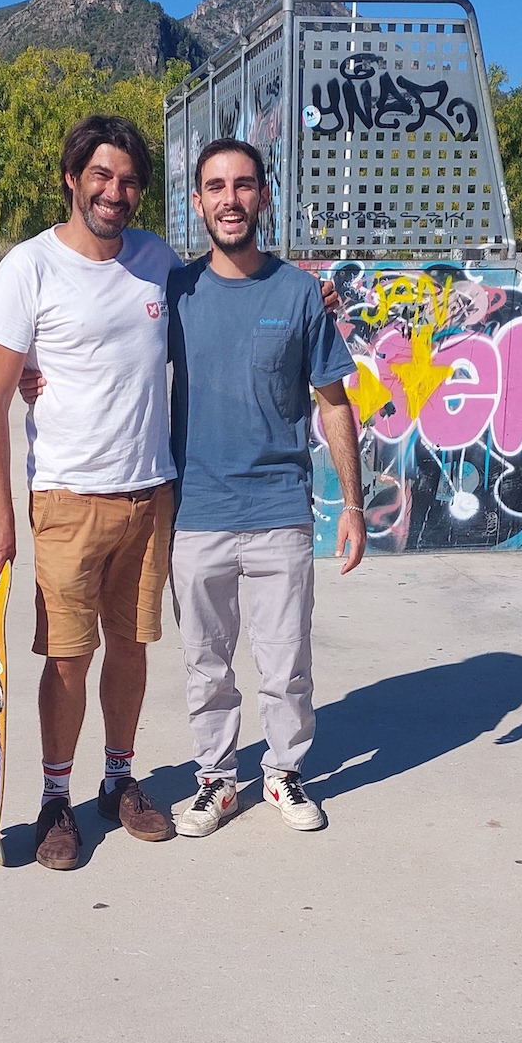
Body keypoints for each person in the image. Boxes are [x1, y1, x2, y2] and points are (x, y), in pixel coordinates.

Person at [0, 115, 178, 871]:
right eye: (101, 175)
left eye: (128, 181)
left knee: (130, 646)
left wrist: (303, 305)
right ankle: (55, 799)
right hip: (65, 497)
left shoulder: (158, 259)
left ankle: (118, 782)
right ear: (72, 177)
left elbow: (223, 306)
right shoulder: (29, 268)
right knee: (67, 658)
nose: (114, 192)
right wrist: (1, 518)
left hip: (149, 496)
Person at [168, 137, 366, 838]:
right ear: (196, 201)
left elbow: (333, 402)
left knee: (286, 665)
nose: (230, 199)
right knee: (206, 666)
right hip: (196, 515)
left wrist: (353, 507)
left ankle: (283, 774)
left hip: (280, 510)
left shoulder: (297, 293)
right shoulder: (176, 290)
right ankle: (217, 782)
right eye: (215, 187)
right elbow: (113, 359)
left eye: (244, 185)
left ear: (264, 195)